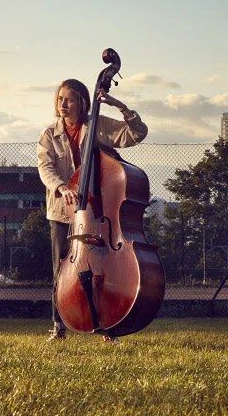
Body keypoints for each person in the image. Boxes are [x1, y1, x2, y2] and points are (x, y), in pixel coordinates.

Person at [36, 79, 148, 343]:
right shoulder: (49, 134)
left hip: (96, 212)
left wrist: (118, 105)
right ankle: (58, 326)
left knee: (104, 268)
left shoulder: (97, 124)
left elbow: (137, 133)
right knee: (60, 270)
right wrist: (62, 188)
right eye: (60, 99)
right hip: (63, 211)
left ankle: (108, 326)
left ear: (82, 102)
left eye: (70, 99)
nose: (63, 105)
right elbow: (45, 167)